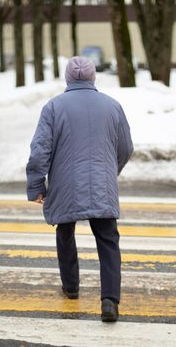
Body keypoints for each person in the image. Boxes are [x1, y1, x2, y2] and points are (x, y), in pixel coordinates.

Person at [26, 56, 133, 322]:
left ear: (68, 78)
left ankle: (71, 288)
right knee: (108, 240)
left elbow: (40, 150)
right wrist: (110, 172)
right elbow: (126, 148)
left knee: (65, 231)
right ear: (93, 76)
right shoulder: (112, 106)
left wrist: (37, 184)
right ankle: (109, 301)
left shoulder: (53, 107)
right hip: (102, 185)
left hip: (65, 185)